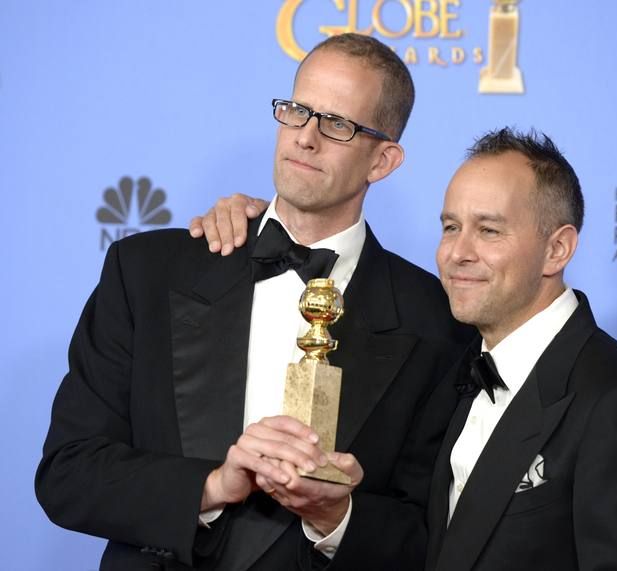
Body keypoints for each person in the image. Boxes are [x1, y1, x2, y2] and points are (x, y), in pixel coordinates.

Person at [36, 33, 471, 570]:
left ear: (382, 161)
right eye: (297, 111)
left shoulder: (437, 322)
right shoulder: (147, 272)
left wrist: (337, 519)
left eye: (337, 124)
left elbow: (432, 533)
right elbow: (68, 473)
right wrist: (212, 486)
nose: (306, 138)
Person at [195, 129, 617, 570]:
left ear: (558, 249)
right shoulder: (458, 365)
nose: (458, 253)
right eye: (451, 226)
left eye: (489, 230)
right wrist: (334, 516)